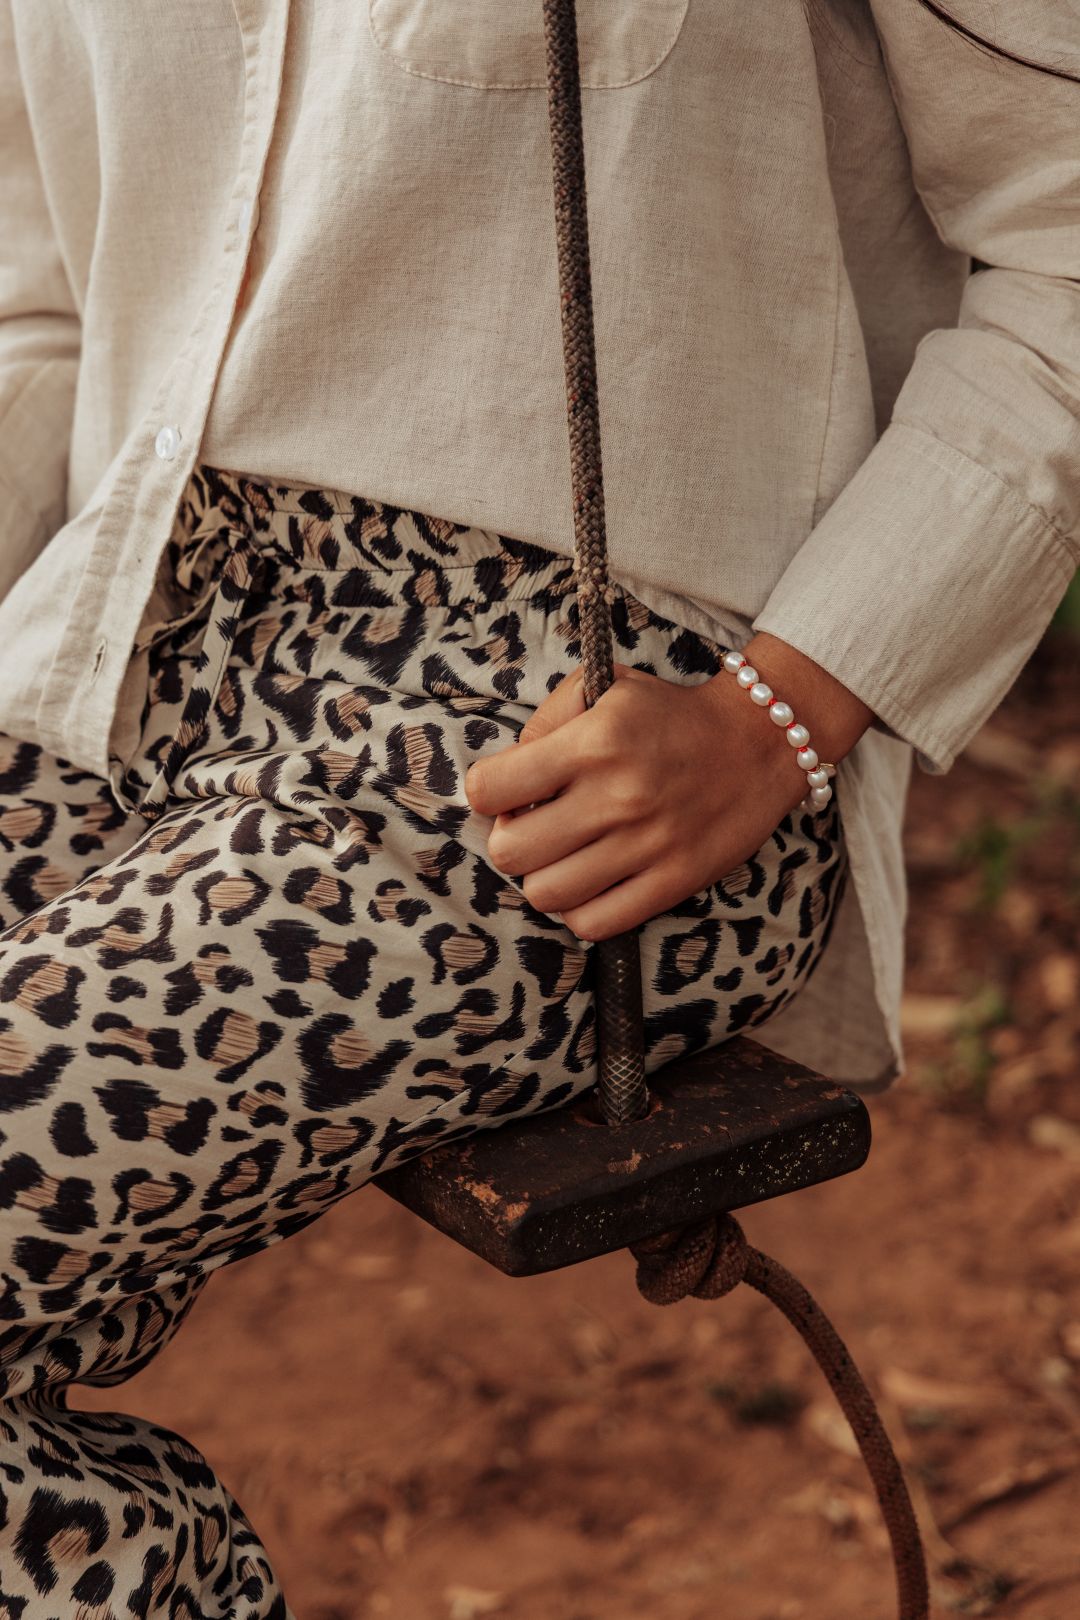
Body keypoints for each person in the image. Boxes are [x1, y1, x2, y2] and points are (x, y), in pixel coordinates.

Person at [1, 1, 1076, 1612]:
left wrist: (781, 713)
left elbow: (1068, 228)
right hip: (116, 634)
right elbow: (39, 304)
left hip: (558, 741)